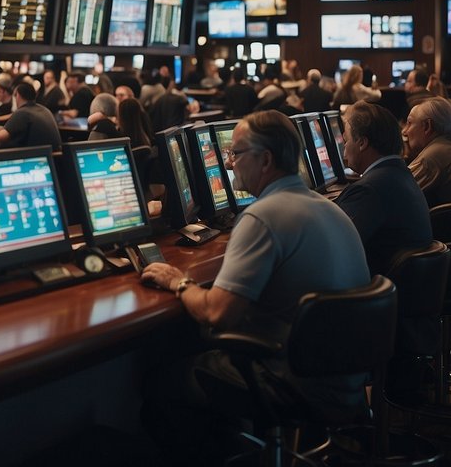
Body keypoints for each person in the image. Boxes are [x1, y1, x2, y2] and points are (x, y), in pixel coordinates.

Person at [141, 111, 370, 464]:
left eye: (236, 153)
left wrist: (179, 281)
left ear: (265, 160)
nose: (229, 164)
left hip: (298, 383)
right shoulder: (330, 209)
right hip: (347, 379)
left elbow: (218, 313)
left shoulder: (262, 216)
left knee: (162, 380)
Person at [334, 102, 432, 273]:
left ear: (362, 143)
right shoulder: (400, 174)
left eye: (347, 139)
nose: (345, 146)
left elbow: (333, 245)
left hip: (371, 291)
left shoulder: (370, 190)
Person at [404, 96, 451, 208]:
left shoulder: (431, 159)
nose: (404, 131)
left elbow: (397, 195)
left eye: (409, 123)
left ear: (427, 126)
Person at [0, 82, 61, 152]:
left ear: (18, 95)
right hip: (53, 158)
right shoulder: (44, 110)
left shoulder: (23, 112)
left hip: (36, 159)